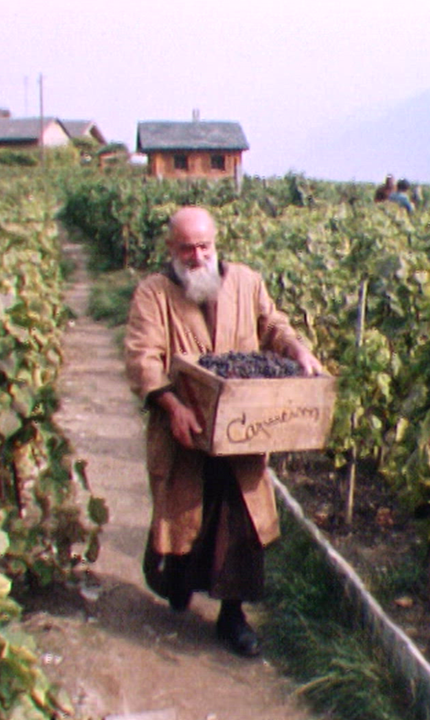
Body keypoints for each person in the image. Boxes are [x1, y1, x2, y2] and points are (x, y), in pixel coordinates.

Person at [124, 206, 323, 657]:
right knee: (186, 517)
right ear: (171, 250)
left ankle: (232, 617)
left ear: (216, 244)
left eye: (204, 246)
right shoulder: (153, 294)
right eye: (186, 248)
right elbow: (142, 358)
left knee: (241, 523)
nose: (197, 256)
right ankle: (174, 578)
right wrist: (171, 404)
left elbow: (273, 325)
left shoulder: (246, 281)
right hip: (185, 431)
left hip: (243, 430)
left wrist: (298, 350)